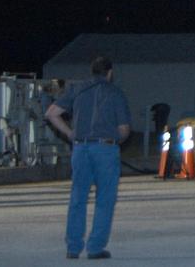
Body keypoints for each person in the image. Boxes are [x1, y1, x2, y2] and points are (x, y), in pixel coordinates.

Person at [45, 55, 133, 260]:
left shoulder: (77, 89)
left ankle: (73, 247)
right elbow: (124, 128)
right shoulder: (115, 93)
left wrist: (69, 133)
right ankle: (95, 248)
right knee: (105, 199)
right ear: (110, 73)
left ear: (92, 72)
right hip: (105, 149)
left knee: (78, 198)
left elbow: (51, 113)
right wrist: (117, 140)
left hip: (80, 148)